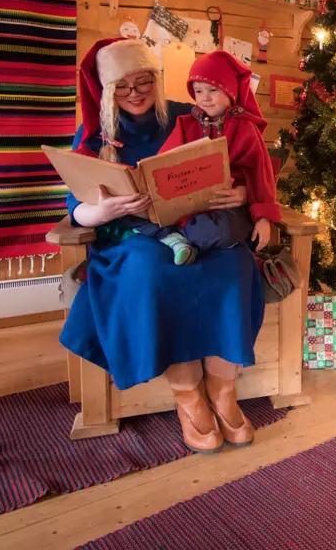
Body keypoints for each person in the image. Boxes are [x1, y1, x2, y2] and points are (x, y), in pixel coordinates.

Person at [59, 37, 263, 452]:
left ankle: (223, 390)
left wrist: (243, 195)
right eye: (122, 85)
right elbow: (75, 203)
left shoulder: (190, 114)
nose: (134, 94)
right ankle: (189, 396)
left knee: (234, 263)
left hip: (197, 223)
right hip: (133, 235)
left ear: (156, 78)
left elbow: (240, 162)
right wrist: (104, 210)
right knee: (151, 270)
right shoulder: (95, 131)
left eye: (143, 82)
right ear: (105, 88)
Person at [151, 50, 282, 263]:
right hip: (190, 207)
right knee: (137, 216)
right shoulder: (186, 124)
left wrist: (263, 217)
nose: (205, 97)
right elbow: (164, 161)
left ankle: (176, 237)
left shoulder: (245, 128)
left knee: (222, 230)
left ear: (230, 91)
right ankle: (177, 236)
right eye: (198, 91)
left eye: (213, 89)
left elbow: (260, 174)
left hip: (228, 207)